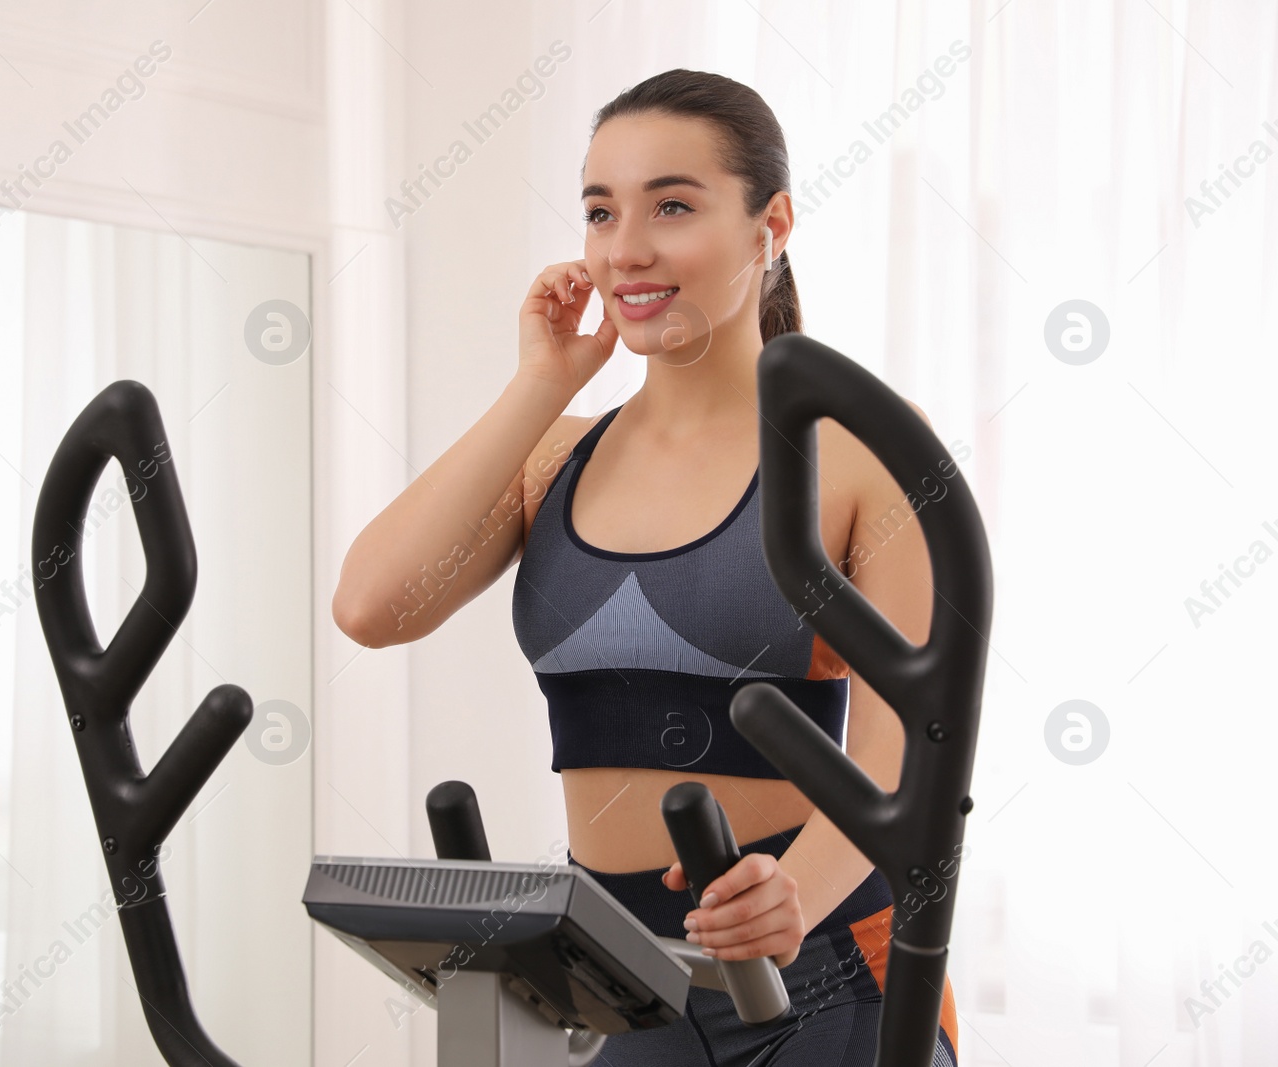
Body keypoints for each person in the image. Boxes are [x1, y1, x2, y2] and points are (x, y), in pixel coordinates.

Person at [333, 68, 959, 1065]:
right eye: (598, 210)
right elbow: (372, 603)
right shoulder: (557, 455)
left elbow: (912, 747)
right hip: (613, 970)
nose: (625, 247)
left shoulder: (862, 444)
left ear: (772, 224)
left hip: (823, 958)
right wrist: (540, 383)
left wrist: (799, 889)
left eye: (672, 204)